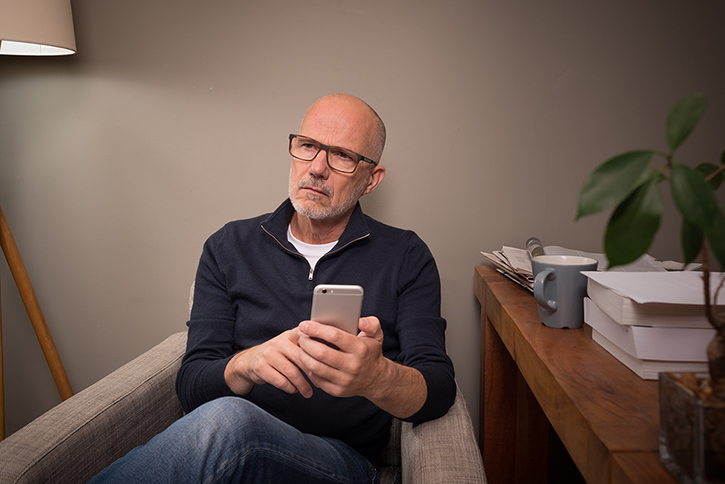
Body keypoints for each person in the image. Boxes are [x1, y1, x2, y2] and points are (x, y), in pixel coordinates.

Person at [89, 94, 455, 483]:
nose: (317, 168)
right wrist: (245, 364)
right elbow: (191, 386)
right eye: (309, 146)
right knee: (226, 422)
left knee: (231, 421)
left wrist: (376, 377)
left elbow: (438, 389)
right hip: (223, 453)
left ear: (371, 179)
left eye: (342, 156)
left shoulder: (406, 255)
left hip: (339, 462)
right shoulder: (229, 246)